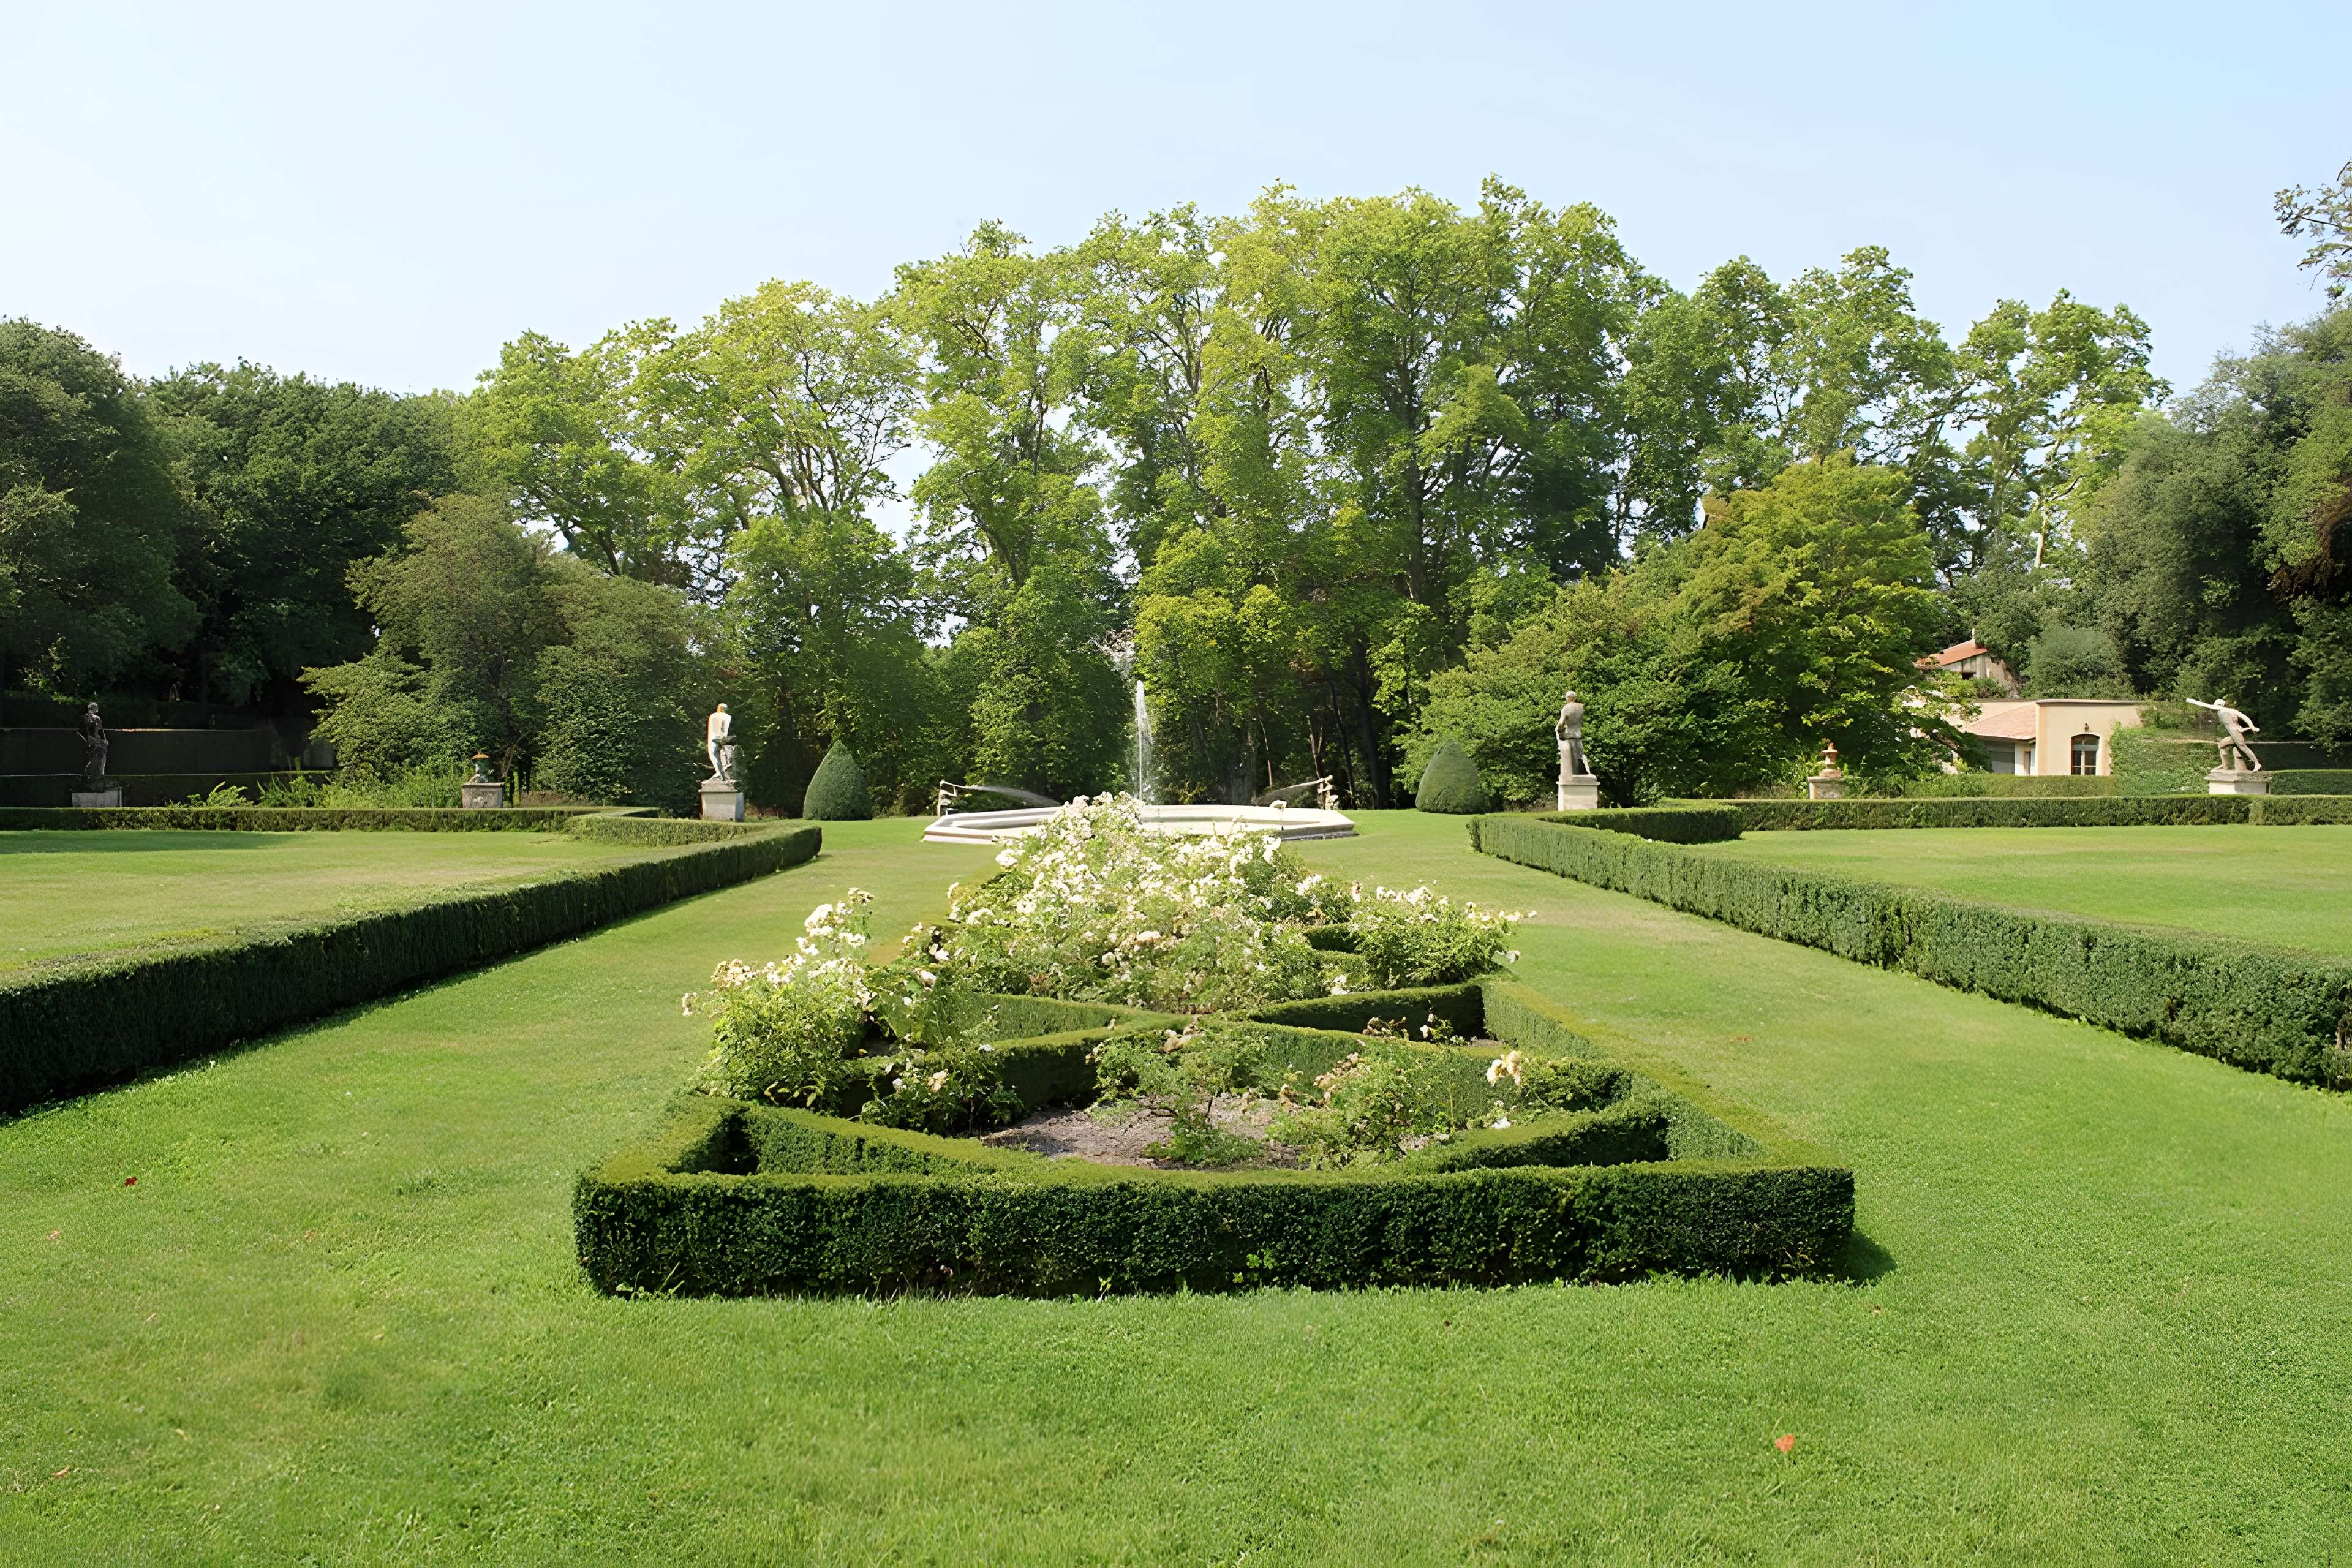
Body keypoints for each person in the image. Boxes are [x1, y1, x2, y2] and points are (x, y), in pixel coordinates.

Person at [2186, 698, 2262, 771]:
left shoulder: (2224, 711)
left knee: (2243, 748)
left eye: (2215, 706)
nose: (2213, 708)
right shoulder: (2225, 712)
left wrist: (2191, 701)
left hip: (2236, 733)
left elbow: (2204, 705)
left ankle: (2257, 764)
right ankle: (2225, 765)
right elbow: (2245, 717)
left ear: (2218, 705)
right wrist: (2252, 727)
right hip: (2233, 734)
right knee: (2221, 745)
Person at [705, 704, 736, 783]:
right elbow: (723, 728)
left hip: (714, 738)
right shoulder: (727, 717)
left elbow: (716, 728)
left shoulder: (714, 716)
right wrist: (723, 738)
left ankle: (720, 773)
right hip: (721, 738)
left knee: (714, 755)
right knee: (720, 755)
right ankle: (722, 773)